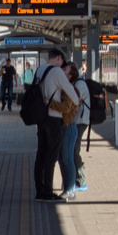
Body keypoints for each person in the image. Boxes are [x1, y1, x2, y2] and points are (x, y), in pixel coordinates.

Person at [32, 49, 79, 201]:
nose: (62, 66)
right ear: (59, 58)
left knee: (40, 155)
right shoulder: (57, 72)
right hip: (53, 119)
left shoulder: (40, 70)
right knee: (51, 157)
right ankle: (48, 192)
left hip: (41, 118)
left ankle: (39, 191)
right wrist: (76, 103)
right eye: (62, 63)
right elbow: (72, 92)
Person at [65, 62, 89, 197]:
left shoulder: (80, 85)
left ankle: (81, 181)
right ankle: (77, 180)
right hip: (77, 121)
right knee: (73, 150)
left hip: (80, 121)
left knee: (74, 151)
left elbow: (75, 103)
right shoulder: (77, 84)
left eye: (66, 72)